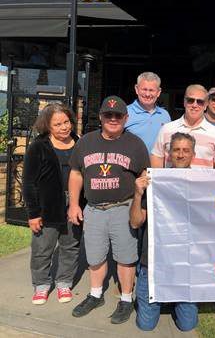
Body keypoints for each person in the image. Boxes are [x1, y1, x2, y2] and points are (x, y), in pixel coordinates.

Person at [68, 96, 149, 324]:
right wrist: (74, 204)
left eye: (118, 115)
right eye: (108, 115)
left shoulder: (135, 144)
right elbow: (75, 173)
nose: (113, 119)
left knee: (126, 256)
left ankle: (125, 299)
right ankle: (95, 295)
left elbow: (145, 174)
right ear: (101, 117)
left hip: (122, 208)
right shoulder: (86, 142)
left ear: (126, 117)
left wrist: (139, 205)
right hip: (93, 209)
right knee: (94, 255)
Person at [131, 132, 198, 332]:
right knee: (146, 325)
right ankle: (152, 296)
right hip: (152, 264)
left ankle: (173, 299)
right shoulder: (154, 182)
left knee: (187, 325)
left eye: (186, 150)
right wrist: (137, 193)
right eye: (176, 150)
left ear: (193, 154)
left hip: (186, 265)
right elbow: (135, 223)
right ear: (168, 154)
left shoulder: (201, 183)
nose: (180, 154)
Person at [22, 103, 82, 305]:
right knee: (42, 248)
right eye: (58, 124)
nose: (64, 127)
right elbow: (29, 182)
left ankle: (64, 282)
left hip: (73, 204)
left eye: (66, 122)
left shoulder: (79, 142)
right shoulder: (38, 146)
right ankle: (41, 285)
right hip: (47, 206)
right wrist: (33, 213)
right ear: (47, 126)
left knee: (70, 245)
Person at [151, 84, 215, 168]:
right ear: (184, 102)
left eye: (200, 102)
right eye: (190, 100)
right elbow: (157, 158)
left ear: (205, 106)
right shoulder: (166, 129)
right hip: (171, 181)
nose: (194, 105)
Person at [125, 72, 171, 154]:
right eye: (144, 89)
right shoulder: (125, 113)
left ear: (158, 92)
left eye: (151, 90)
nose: (147, 94)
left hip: (158, 165)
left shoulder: (165, 115)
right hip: (133, 165)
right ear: (136, 89)